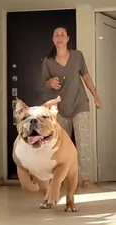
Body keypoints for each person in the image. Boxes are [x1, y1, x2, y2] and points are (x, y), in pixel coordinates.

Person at [42, 25, 102, 187]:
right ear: (53, 39)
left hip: (80, 103)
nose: (60, 37)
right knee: (61, 145)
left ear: (68, 38)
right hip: (61, 108)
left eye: (63, 35)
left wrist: (96, 97)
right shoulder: (48, 61)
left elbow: (87, 77)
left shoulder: (77, 56)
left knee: (84, 143)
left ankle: (85, 178)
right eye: (56, 35)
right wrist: (50, 82)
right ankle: (61, 177)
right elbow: (45, 83)